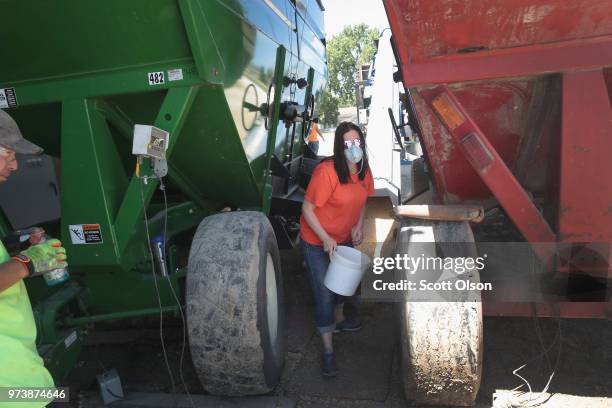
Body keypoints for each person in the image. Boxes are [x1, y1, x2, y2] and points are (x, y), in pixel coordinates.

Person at [0, 109, 68, 407]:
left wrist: (16, 246)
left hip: (18, 369)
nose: (15, 165)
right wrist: (28, 262)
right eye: (8, 154)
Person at [300, 121, 374, 377]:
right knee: (324, 292)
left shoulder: (364, 171)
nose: (353, 148)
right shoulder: (327, 172)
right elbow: (307, 209)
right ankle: (328, 349)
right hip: (315, 238)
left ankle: (340, 320)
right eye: (347, 144)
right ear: (339, 147)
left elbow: (364, 200)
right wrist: (324, 238)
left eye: (357, 142)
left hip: (342, 236)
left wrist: (359, 223)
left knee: (344, 284)